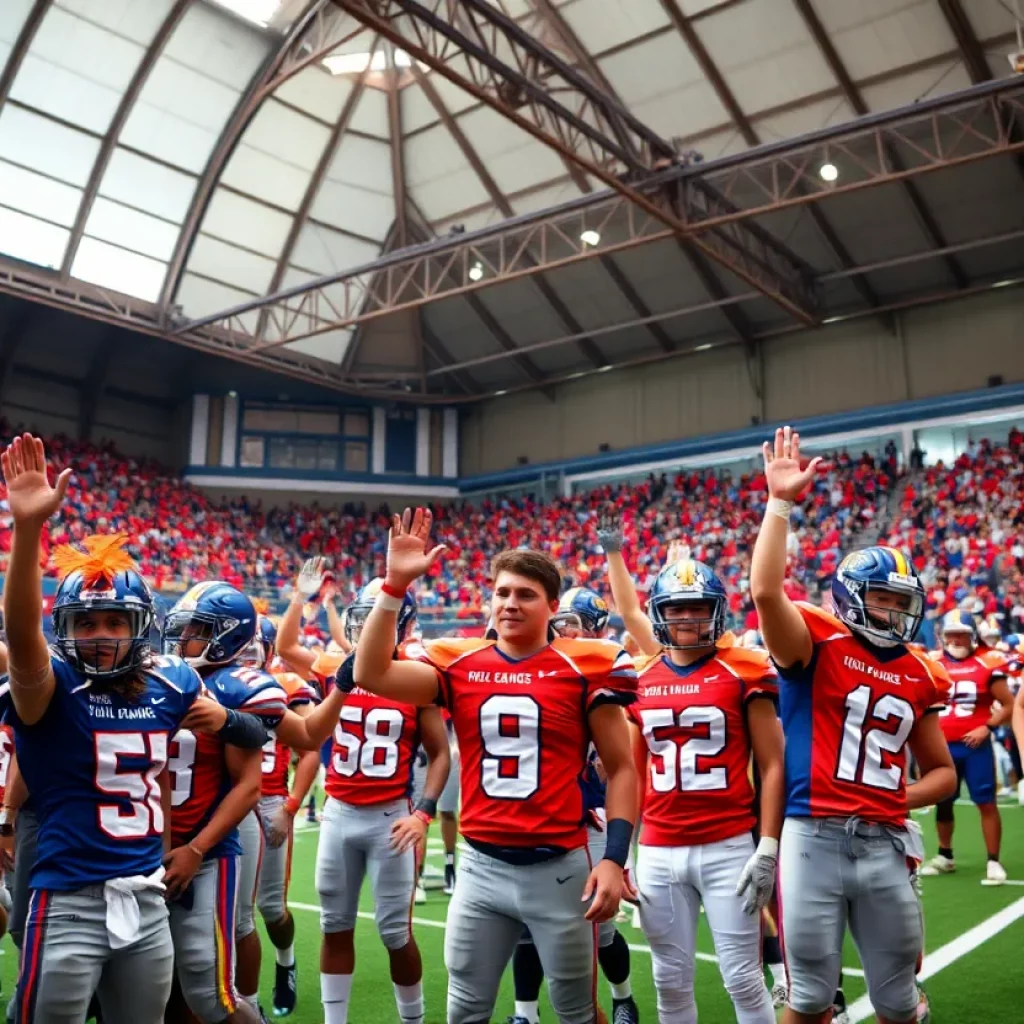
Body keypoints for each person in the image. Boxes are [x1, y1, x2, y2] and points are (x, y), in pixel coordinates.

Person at [0, 433, 262, 1023]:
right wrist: (27, 532)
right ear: (64, 627)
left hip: (144, 896)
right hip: (67, 899)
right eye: (84, 623)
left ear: (139, 624)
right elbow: (21, 640)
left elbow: (256, 735)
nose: (99, 634)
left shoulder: (172, 680)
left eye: (113, 620)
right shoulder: (53, 687)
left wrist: (229, 719)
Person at [354, 508, 639, 1024]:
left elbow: (622, 769)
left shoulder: (586, 665)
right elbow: (369, 671)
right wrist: (394, 586)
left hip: (559, 868)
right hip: (481, 867)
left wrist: (614, 858)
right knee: (465, 1009)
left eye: (525, 594)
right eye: (502, 592)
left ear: (552, 605)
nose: (510, 603)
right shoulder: (460, 662)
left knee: (576, 1010)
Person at [750, 426, 956, 1024]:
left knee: (897, 997)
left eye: (900, 601)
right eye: (881, 599)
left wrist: (901, 793)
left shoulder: (921, 671)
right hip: (811, 837)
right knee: (811, 995)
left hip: (886, 842)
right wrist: (779, 503)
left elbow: (942, 772)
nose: (894, 612)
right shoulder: (816, 642)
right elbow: (765, 591)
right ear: (848, 598)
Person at [162, 582, 346, 1023]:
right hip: (154, 842)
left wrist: (342, 685)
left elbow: (304, 738)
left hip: (212, 835)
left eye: (196, 628)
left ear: (224, 635)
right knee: (162, 979)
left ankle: (262, 992)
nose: (183, 635)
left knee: (217, 964)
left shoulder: (241, 685)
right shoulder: (161, 674)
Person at [627, 560, 783, 1024]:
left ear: (717, 612)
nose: (688, 619)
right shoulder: (640, 676)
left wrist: (768, 846)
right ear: (660, 614)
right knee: (669, 980)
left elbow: (773, 764)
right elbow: (633, 772)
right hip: (657, 847)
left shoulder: (744, 668)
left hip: (727, 845)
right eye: (677, 609)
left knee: (742, 977)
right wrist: (625, 851)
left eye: (698, 608)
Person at [313, 577, 450, 1024]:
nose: (368, 626)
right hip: (337, 813)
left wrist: (424, 812)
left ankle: (413, 1020)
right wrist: (304, 599)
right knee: (333, 926)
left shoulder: (416, 676)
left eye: (379, 617)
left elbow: (440, 753)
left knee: (395, 932)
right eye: (363, 617)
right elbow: (293, 654)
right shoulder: (337, 666)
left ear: (400, 624)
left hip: (390, 817)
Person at [508, 587, 639, 1024]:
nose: (562, 630)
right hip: (540, 817)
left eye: (572, 623)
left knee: (599, 931)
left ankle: (622, 997)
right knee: (526, 928)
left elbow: (616, 763)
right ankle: (524, 1013)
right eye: (559, 621)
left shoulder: (598, 672)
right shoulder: (533, 667)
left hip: (591, 818)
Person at [244, 616, 320, 1017]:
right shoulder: (212, 680)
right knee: (228, 912)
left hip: (270, 799)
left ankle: (286, 962)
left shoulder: (286, 685)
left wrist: (290, 808)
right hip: (224, 802)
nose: (245, 651)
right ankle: (243, 995)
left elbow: (310, 748)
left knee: (271, 907)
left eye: (253, 644)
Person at [921, 610, 1012, 884]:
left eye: (962, 633)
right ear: (942, 635)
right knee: (943, 802)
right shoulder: (932, 662)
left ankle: (993, 860)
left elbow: (1008, 705)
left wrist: (987, 727)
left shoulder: (987, 662)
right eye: (951, 633)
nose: (956, 639)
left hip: (975, 748)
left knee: (985, 802)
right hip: (941, 747)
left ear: (972, 636)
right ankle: (945, 855)